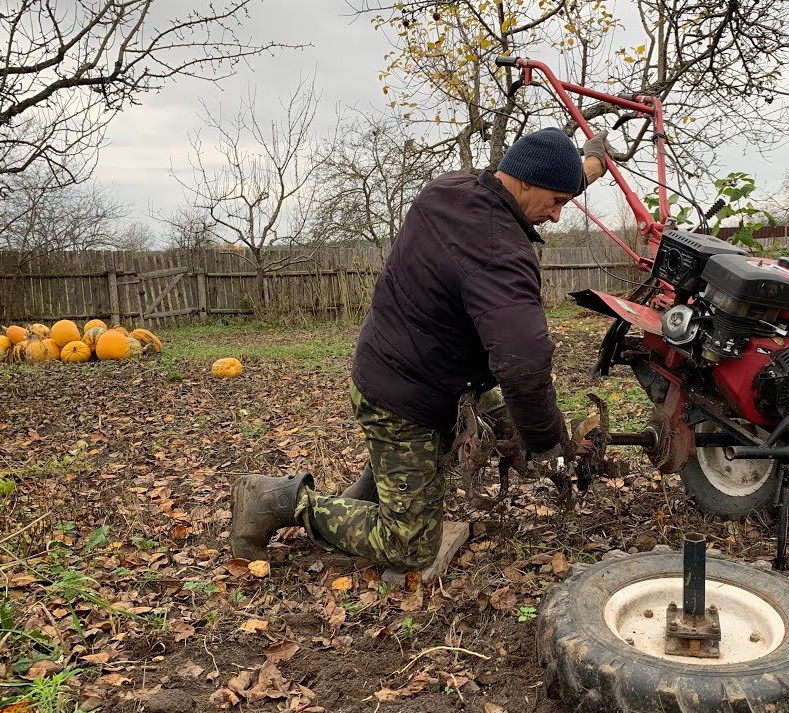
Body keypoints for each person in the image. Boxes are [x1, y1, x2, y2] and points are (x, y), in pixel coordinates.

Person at [230, 127, 613, 574]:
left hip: (412, 366)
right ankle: (274, 499)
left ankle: (369, 493)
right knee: (408, 545)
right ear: (526, 182)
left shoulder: (451, 188)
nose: (557, 216)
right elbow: (525, 370)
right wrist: (549, 448)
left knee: (509, 423)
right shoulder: (499, 252)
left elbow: (549, 173)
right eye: (558, 202)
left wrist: (593, 164)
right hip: (404, 399)